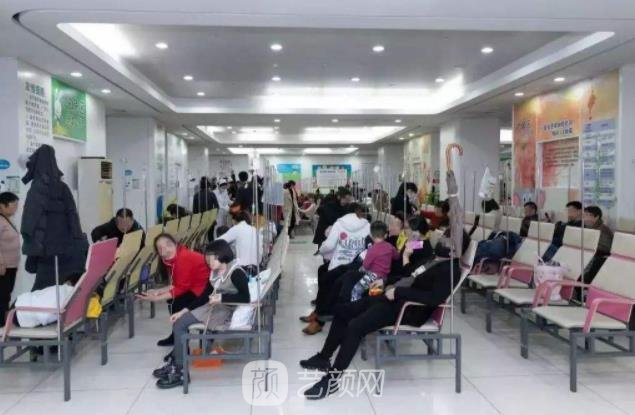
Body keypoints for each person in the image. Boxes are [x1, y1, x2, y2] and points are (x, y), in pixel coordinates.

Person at [299, 227, 470, 399]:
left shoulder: (450, 270)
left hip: (409, 309)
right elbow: (408, 275)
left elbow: (433, 298)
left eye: (446, 238)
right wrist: (386, 281)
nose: (440, 238)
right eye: (444, 235)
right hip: (394, 298)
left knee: (355, 327)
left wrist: (398, 292)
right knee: (343, 311)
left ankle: (332, 380)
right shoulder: (433, 258)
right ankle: (324, 357)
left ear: (454, 249)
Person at [152, 239, 251, 389]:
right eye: (207, 260)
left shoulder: (236, 272)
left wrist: (222, 298)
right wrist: (183, 311)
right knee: (179, 323)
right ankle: (178, 364)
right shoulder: (215, 272)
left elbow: (245, 298)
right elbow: (204, 296)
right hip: (212, 307)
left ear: (221, 255)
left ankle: (179, 370)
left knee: (180, 325)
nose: (208, 263)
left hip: (225, 311)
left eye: (210, 259)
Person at [20, 144, 88, 292]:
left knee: (41, 292)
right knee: (64, 291)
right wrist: (78, 240)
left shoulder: (36, 188)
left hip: (46, 251)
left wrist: (30, 248)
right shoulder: (63, 187)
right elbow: (73, 216)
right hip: (66, 248)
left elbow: (29, 222)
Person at [301, 204, 370, 334]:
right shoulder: (367, 226)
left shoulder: (340, 224)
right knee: (322, 271)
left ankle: (319, 318)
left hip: (340, 264)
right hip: (357, 264)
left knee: (325, 277)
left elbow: (329, 245)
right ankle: (318, 311)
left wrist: (321, 251)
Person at [136, 233, 212, 346]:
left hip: (205, 290)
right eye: (160, 248)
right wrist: (158, 291)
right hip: (196, 287)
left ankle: (179, 339)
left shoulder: (182, 258)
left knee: (176, 301)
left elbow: (181, 288)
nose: (165, 250)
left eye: (168, 245)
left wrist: (156, 298)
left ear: (175, 244)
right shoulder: (175, 257)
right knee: (173, 300)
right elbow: (178, 284)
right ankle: (176, 335)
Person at [350, 221, 399, 301]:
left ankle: (355, 306)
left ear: (371, 236)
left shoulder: (372, 249)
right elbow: (397, 256)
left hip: (372, 276)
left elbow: (365, 265)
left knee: (356, 291)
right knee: (373, 297)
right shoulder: (390, 247)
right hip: (384, 277)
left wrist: (361, 269)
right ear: (385, 235)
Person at [0, 192, 20, 323]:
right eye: (13, 205)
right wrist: (1, 264)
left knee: (6, 294)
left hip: (11, 266)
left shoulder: (6, 220)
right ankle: (1, 323)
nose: (15, 208)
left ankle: (4, 323)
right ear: (2, 205)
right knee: (2, 295)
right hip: (3, 267)